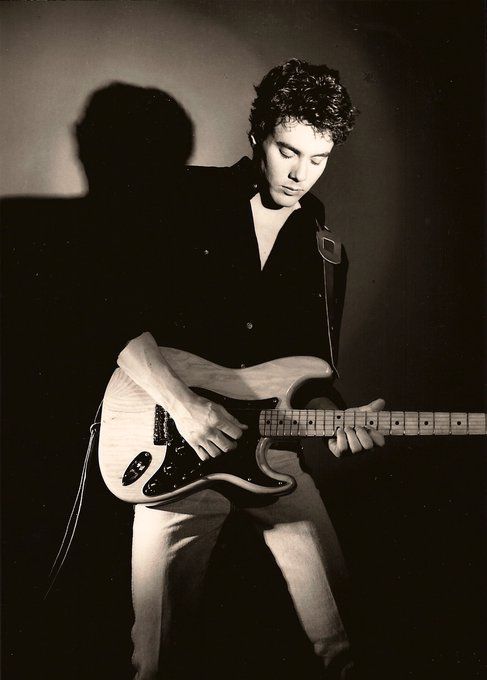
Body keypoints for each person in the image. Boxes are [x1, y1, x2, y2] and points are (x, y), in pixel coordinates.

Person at [116, 59, 385, 680]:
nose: (299, 174)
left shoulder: (325, 249)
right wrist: (186, 406)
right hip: (176, 448)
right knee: (157, 659)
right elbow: (112, 314)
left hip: (273, 455)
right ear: (257, 135)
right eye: (287, 151)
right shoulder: (185, 195)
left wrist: (335, 421)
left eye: (318, 158)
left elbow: (313, 371)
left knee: (347, 643)